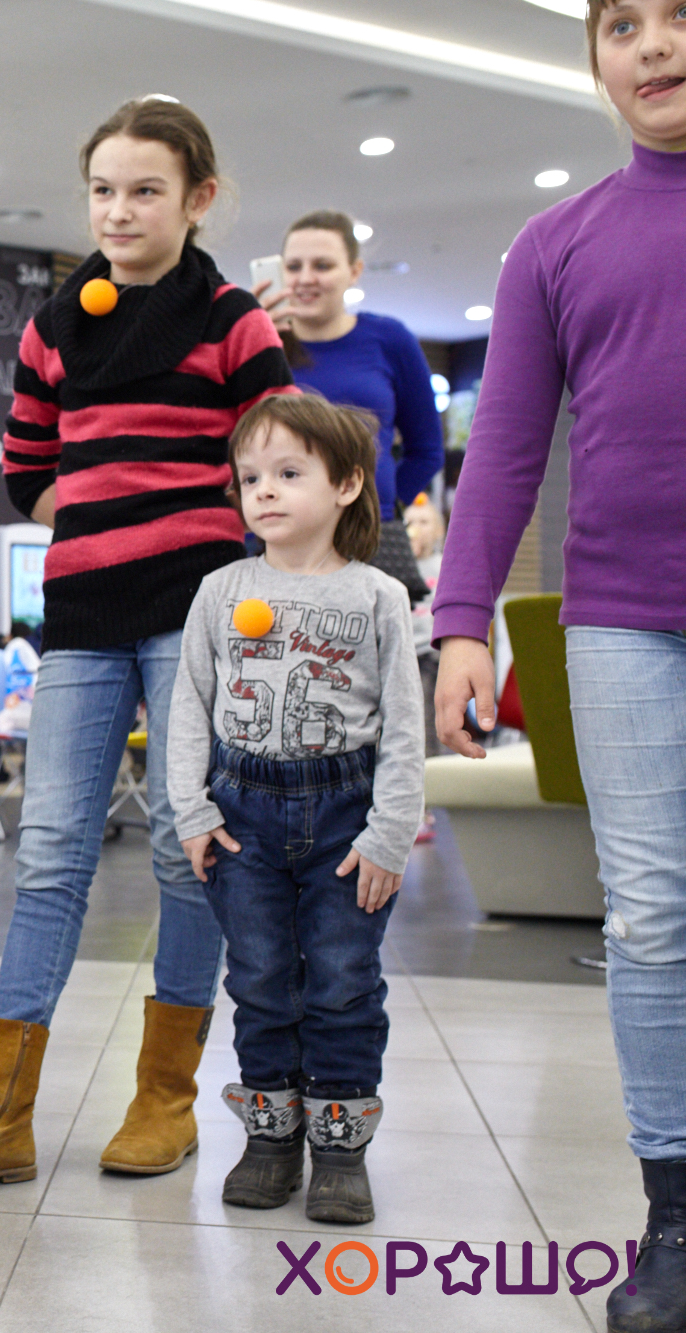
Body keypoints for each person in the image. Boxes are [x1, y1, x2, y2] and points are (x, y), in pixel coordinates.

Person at [0, 96, 295, 1193]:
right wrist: (103, 518)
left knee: (182, 845)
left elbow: (278, 460)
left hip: (197, 613)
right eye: (103, 190)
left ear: (198, 198)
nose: (119, 209)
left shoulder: (233, 319)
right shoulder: (53, 324)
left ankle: (165, 1102)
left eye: (145, 190)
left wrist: (195, 525)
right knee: (51, 848)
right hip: (80, 616)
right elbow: (26, 466)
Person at [433, 3, 686, 1325]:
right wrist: (460, 622)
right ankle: (677, 1216)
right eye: (621, 23)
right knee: (649, 915)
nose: (652, 46)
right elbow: (504, 451)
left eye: (678, 15)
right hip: (621, 619)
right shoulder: (556, 243)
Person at [169, 394, 422, 1225]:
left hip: (346, 815)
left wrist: (390, 834)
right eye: (250, 478)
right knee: (260, 978)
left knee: (344, 980)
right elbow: (189, 705)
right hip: (242, 812)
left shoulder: (378, 595)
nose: (265, 491)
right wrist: (192, 811)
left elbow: (404, 727)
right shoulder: (221, 589)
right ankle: (272, 1138)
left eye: (288, 472)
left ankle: (339, 1147)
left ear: (346, 484)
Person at [260, 210, 442, 599]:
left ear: (354, 271)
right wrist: (259, 342)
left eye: (322, 265)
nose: (305, 278)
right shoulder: (260, 342)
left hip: (370, 538)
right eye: (294, 266)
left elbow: (427, 450)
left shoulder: (389, 339)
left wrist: (380, 506)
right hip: (277, 537)